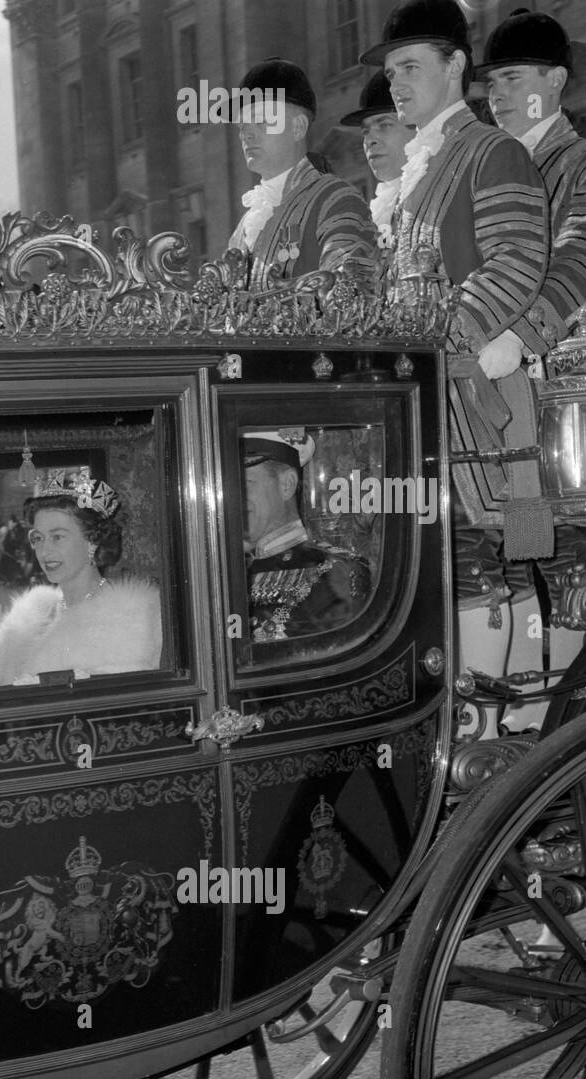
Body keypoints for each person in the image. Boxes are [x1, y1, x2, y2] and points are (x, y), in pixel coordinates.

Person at [361, 0, 550, 714]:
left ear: (456, 67)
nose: (398, 83)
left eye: (410, 67)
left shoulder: (492, 151)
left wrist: (438, 344)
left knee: (519, 562)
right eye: (391, 71)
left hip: (492, 410)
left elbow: (518, 261)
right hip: (432, 404)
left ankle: (520, 741)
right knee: (452, 568)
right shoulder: (418, 173)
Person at [480, 9, 586, 699]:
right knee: (528, 553)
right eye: (491, 83)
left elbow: (579, 256)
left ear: (555, 80)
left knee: (572, 557)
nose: (498, 95)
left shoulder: (576, 161)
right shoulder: (503, 162)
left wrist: (522, 335)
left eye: (513, 79)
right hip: (516, 406)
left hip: (567, 401)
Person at [0, 470, 161, 689]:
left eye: (58, 537)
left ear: (92, 542)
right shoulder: (29, 616)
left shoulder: (130, 620)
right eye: (38, 538)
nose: (44, 550)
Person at [229, 58, 377, 289]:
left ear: (298, 127)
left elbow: (349, 295)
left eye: (260, 121)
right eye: (242, 126)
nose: (246, 134)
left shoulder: (335, 201)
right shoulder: (245, 226)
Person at [243, 430, 371, 642]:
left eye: (246, 483)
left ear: (287, 485)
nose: (235, 498)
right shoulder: (231, 570)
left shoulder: (335, 573)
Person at [339, 71, 413, 251]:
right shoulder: (380, 208)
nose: (370, 140)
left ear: (417, 125)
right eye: (365, 131)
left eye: (384, 125)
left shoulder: (437, 191)